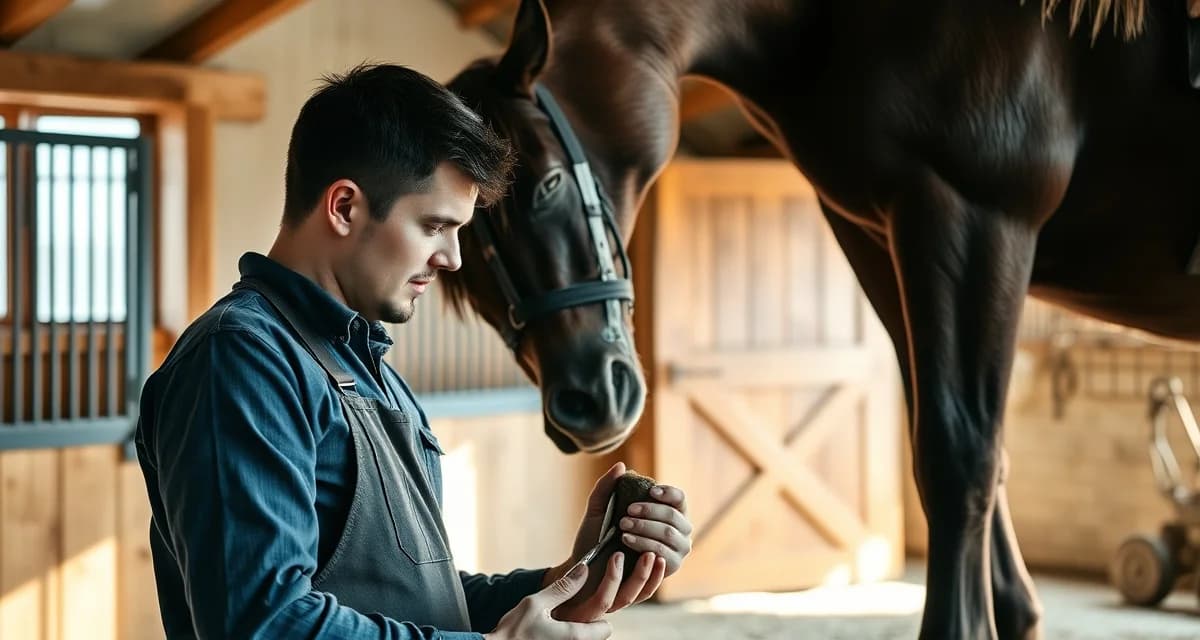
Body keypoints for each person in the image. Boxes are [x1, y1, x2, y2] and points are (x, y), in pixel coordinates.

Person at [134, 62, 693, 640]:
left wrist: (573, 577)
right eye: (434, 226)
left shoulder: (369, 368)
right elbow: (261, 624)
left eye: (459, 231)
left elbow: (426, 602)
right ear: (345, 207)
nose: (452, 258)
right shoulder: (242, 358)